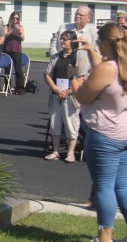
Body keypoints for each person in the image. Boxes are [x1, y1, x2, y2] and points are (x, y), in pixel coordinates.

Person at [69, 23, 127, 242]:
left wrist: (74, 78)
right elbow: (105, 71)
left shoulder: (106, 68)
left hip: (106, 134)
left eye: (97, 42)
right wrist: (91, 52)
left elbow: (82, 97)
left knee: (103, 186)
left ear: (104, 42)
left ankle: (104, 237)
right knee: (122, 182)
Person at [43, 30, 86, 163]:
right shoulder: (56, 57)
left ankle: (70, 153)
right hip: (56, 94)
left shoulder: (79, 56)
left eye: (65, 39)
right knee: (55, 123)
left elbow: (82, 78)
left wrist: (68, 91)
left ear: (72, 41)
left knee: (70, 124)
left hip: (71, 96)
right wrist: (55, 88)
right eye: (61, 39)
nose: (62, 41)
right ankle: (55, 151)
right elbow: (47, 74)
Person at [4, 11, 26, 94]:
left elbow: (23, 38)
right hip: (8, 49)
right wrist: (12, 29)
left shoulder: (21, 27)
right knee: (7, 69)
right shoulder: (7, 26)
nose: (15, 20)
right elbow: (5, 35)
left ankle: (20, 88)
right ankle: (7, 87)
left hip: (17, 50)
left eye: (17, 18)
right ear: (11, 18)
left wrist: (19, 30)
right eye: (14, 18)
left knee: (18, 69)